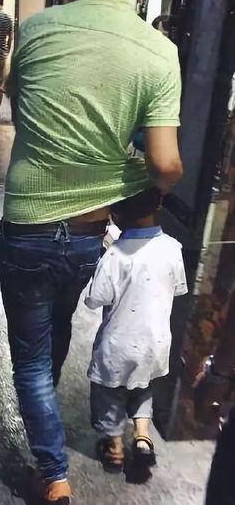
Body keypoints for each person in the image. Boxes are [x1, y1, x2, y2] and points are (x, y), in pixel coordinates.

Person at [0, 0, 184, 503]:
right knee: (57, 327)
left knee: (31, 360)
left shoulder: (38, 27)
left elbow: (21, 105)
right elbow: (166, 165)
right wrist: (132, 175)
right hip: (89, 233)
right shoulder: (158, 51)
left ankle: (54, 476)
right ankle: (49, 410)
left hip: (27, 223)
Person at [85, 188, 188, 473]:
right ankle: (142, 438)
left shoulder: (115, 255)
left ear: (115, 216)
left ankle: (115, 445)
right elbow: (178, 288)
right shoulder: (173, 247)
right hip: (155, 343)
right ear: (158, 205)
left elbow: (95, 299)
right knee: (143, 387)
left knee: (108, 392)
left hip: (117, 345)